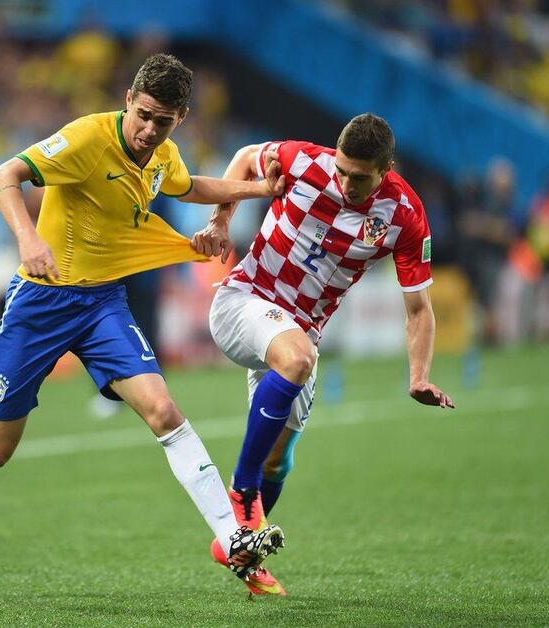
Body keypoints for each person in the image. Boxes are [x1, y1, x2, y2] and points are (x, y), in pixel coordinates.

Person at [0, 54, 285, 585]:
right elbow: (4, 175)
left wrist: (258, 190)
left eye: (162, 121)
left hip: (101, 307)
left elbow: (189, 186)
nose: (147, 130)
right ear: (128, 101)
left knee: (164, 411)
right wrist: (28, 238)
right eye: (142, 115)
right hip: (39, 304)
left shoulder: (163, 153)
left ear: (180, 118)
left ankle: (234, 539)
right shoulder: (87, 139)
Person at [192, 113, 456, 595]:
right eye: (341, 170)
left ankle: (239, 548)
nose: (346, 182)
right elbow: (244, 158)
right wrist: (221, 219)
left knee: (281, 461)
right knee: (296, 362)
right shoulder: (302, 161)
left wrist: (418, 375)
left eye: (360, 177)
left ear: (386, 169)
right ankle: (241, 494)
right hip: (244, 300)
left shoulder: (404, 215)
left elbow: (418, 308)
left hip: (300, 331)